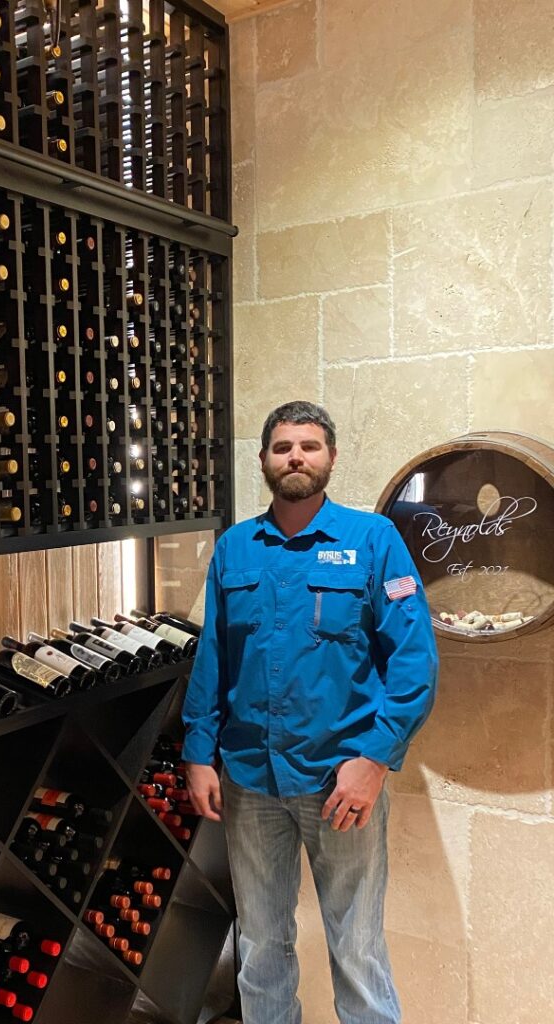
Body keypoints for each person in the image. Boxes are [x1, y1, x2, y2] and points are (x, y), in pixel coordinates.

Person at [182, 400, 438, 1024]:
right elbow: (213, 656)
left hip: (340, 783)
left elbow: (414, 663)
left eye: (309, 446)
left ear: (330, 458)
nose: (295, 456)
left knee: (357, 948)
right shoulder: (235, 549)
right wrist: (197, 749)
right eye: (282, 447)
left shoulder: (372, 542)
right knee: (261, 947)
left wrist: (375, 759)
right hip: (249, 781)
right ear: (264, 460)